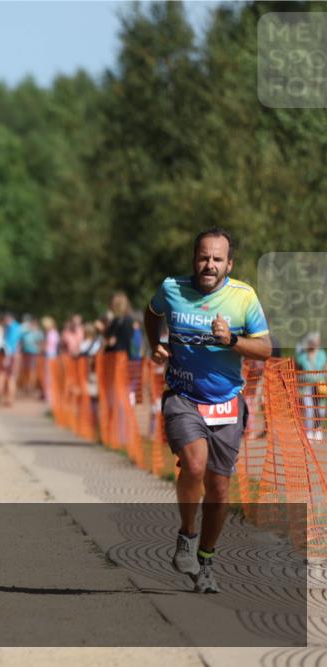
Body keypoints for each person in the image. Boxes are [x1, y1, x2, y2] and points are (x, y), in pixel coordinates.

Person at [144, 227, 270, 593]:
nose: (209, 265)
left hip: (227, 403)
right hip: (182, 396)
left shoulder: (243, 297)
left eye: (217, 259)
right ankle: (186, 535)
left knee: (218, 489)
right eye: (203, 257)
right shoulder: (171, 289)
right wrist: (156, 344)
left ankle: (207, 560)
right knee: (194, 465)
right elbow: (151, 314)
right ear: (193, 259)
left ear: (229, 263)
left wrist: (231, 339)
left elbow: (265, 349)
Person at [296, 332, 327, 440]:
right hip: (306, 386)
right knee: (309, 409)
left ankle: (318, 429)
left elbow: (324, 369)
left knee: (321, 410)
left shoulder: (322, 354)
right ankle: (308, 431)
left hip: (320, 386)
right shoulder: (302, 356)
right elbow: (298, 370)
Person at [0, 313, 23, 407]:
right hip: (15, 355)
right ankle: (9, 399)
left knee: (7, 377)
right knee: (11, 377)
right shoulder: (18, 327)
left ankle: (7, 398)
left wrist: (7, 357)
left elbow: (10, 343)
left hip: (10, 355)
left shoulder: (11, 328)